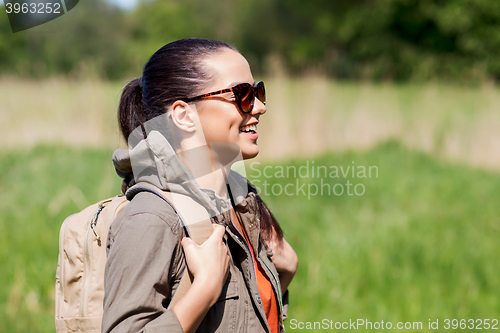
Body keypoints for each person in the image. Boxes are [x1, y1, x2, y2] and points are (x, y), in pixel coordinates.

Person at [102, 38, 298, 333]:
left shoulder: (239, 202)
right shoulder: (152, 218)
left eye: (258, 90)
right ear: (183, 115)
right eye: (242, 94)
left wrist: (285, 269)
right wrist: (204, 290)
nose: (259, 106)